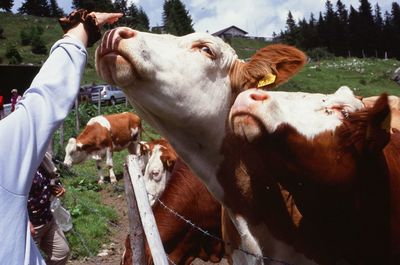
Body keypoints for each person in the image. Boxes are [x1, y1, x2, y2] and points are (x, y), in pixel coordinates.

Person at [0, 10, 122, 265]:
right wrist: (82, 28)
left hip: (43, 219)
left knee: (61, 252)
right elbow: (44, 99)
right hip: (34, 225)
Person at [28, 153, 69, 265]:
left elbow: (50, 179)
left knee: (61, 253)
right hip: (30, 227)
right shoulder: (14, 165)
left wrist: (55, 189)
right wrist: (25, 221)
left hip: (47, 218)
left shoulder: (39, 158)